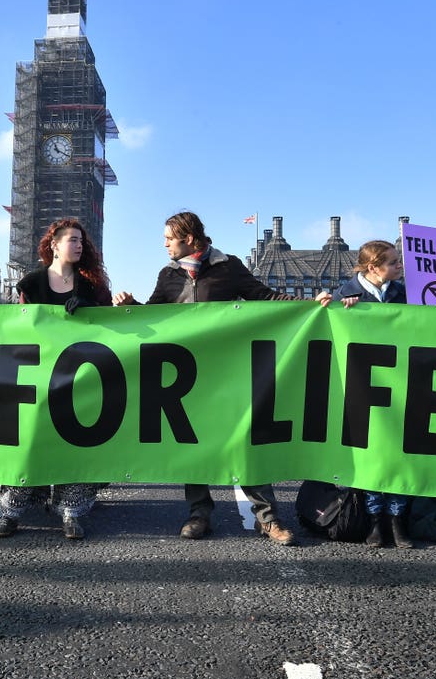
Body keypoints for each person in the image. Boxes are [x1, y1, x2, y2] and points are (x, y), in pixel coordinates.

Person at [112, 211, 298, 546]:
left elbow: (266, 298)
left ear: (190, 239)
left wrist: (312, 305)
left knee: (245, 441)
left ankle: (267, 518)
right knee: (192, 443)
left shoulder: (228, 266)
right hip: (186, 376)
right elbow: (153, 317)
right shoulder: (168, 274)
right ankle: (199, 513)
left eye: (170, 238)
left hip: (229, 373)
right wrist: (130, 306)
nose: (164, 243)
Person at [0, 217, 111, 541]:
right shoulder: (30, 285)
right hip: (39, 374)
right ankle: (11, 510)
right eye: (72, 239)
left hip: (80, 377)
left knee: (76, 440)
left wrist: (93, 309)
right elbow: (17, 330)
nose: (78, 245)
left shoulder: (91, 286)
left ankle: (72, 511)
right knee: (29, 440)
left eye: (81, 241)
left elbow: (112, 327)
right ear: (54, 245)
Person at [315, 240, 414, 549]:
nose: (400, 266)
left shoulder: (404, 294)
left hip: (400, 382)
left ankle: (396, 519)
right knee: (370, 451)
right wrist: (325, 304)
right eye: (394, 262)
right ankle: (374, 520)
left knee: (399, 451)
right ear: (374, 267)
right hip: (362, 385)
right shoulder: (346, 295)